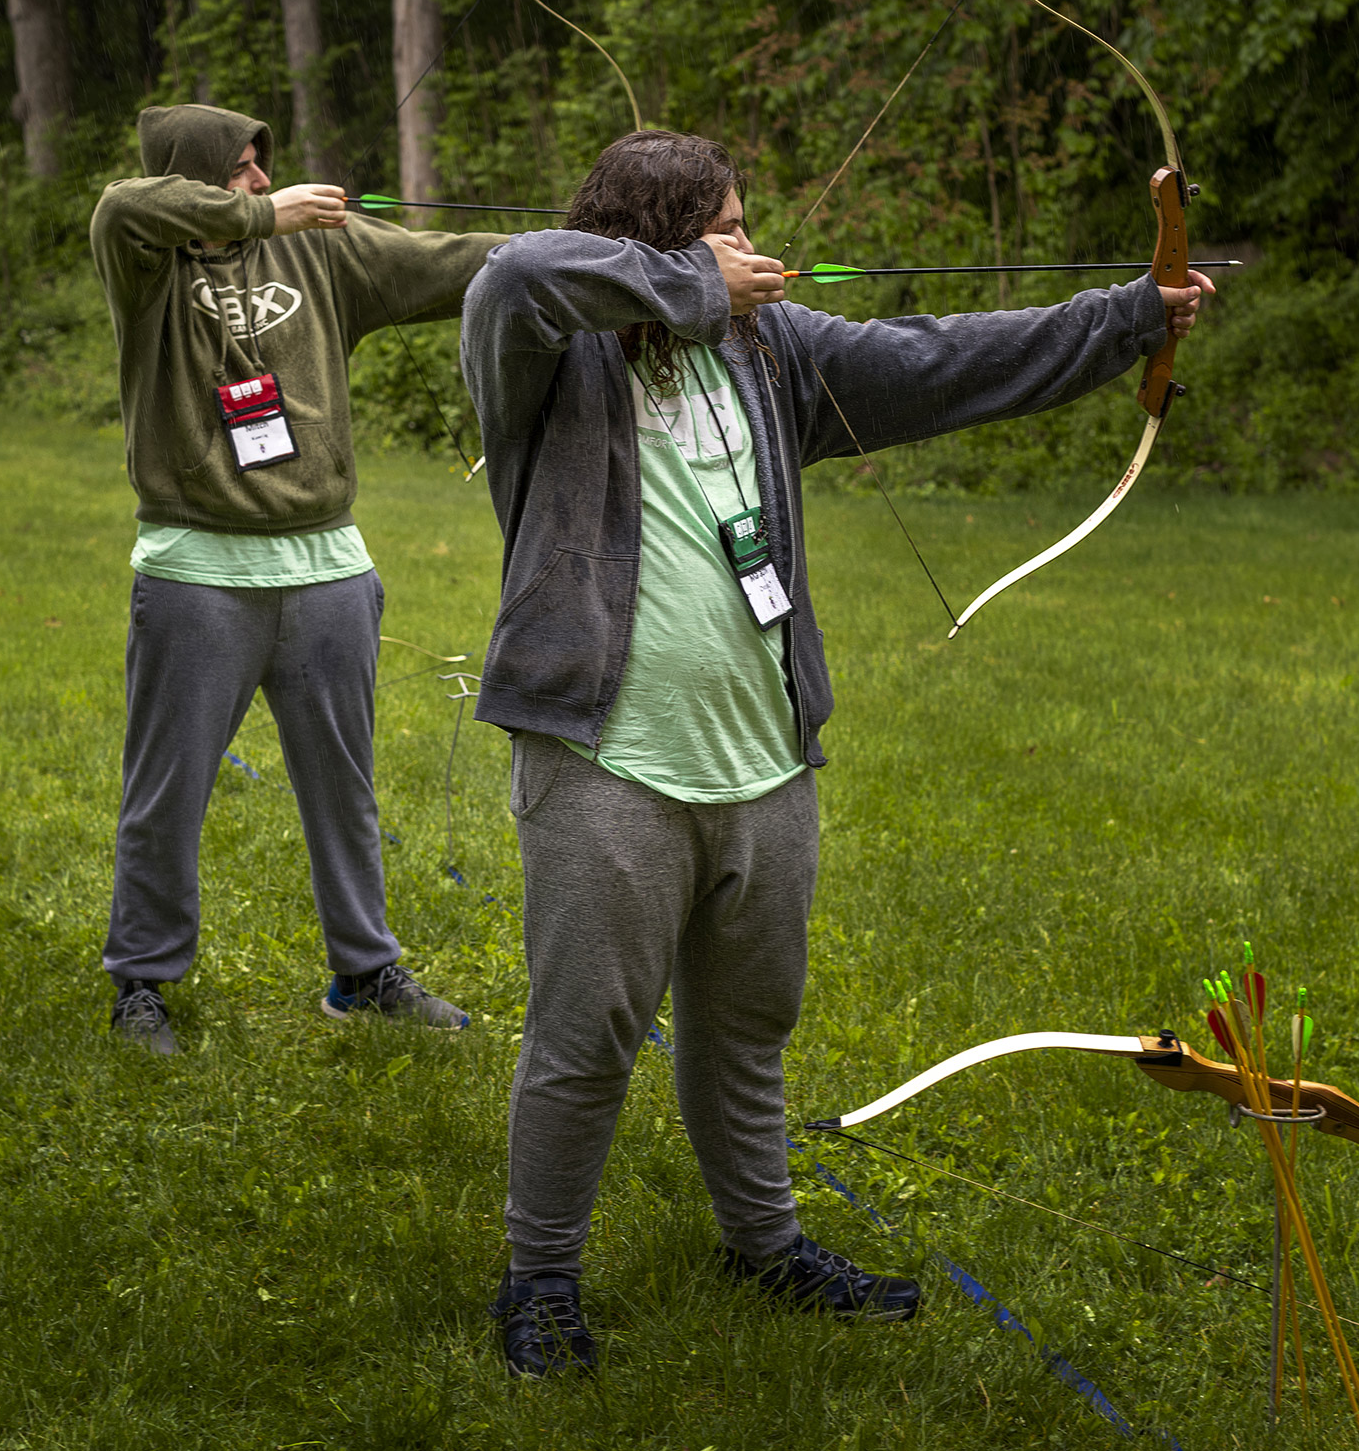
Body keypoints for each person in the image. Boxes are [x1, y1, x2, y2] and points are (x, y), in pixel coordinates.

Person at [458, 130, 1210, 1376]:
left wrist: (1131, 316)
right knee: (586, 1035)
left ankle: (763, 1241)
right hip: (609, 761)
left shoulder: (771, 353)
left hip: (765, 755)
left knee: (751, 1024)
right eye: (728, 229)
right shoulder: (551, 355)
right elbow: (513, 277)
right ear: (651, 241)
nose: (755, 251)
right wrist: (695, 285)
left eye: (749, 230)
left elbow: (941, 360)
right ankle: (538, 1277)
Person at [90, 104, 504, 1052]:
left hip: (327, 566)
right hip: (197, 569)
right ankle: (142, 982)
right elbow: (123, 207)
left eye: (260, 168)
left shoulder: (320, 250)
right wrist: (258, 219)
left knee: (344, 788)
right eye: (238, 169)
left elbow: (460, 259)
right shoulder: (147, 262)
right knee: (167, 792)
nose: (260, 184)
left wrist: (601, 248)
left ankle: (364, 971)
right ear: (193, 175)